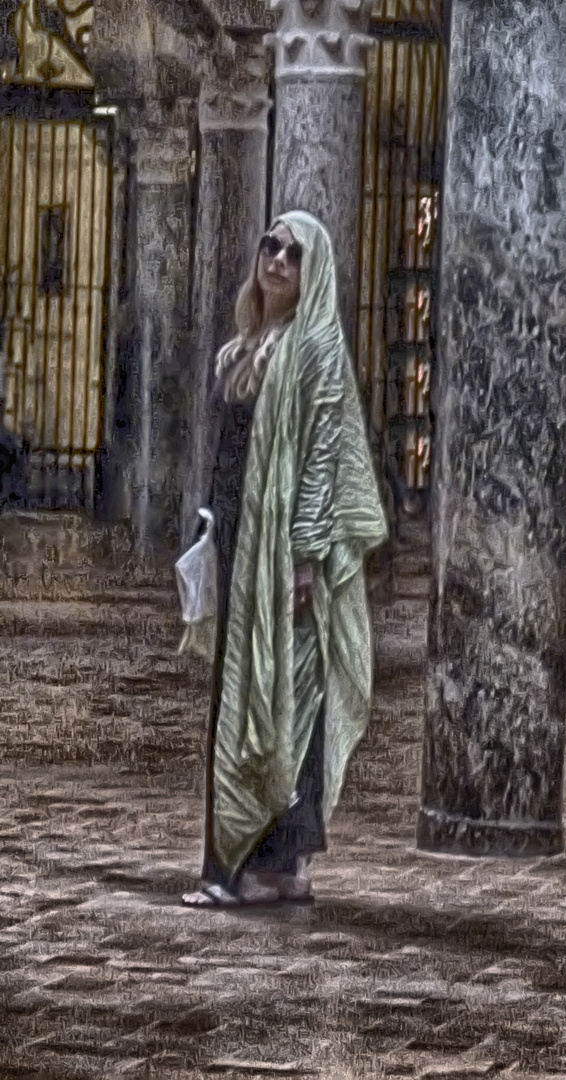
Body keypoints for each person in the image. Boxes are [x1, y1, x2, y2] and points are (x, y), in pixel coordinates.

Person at [182, 211, 388, 907]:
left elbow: (324, 461)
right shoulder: (245, 348)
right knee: (251, 693)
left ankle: (254, 863)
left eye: (293, 254)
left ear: (312, 272)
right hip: (241, 539)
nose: (276, 259)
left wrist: (304, 557)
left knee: (286, 697)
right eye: (270, 244)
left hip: (284, 553)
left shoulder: (315, 349)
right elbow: (229, 456)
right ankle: (273, 863)